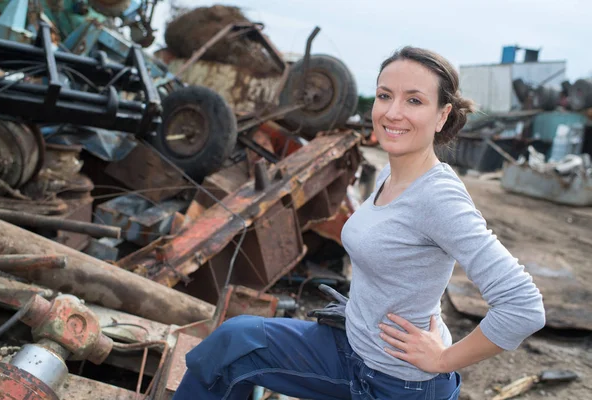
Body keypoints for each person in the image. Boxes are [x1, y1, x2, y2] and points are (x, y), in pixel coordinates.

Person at [173, 46, 546, 400]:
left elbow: (522, 306)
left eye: (414, 100)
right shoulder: (389, 173)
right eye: (385, 96)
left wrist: (443, 361)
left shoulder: (439, 197)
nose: (392, 112)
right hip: (351, 345)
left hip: (395, 383)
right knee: (230, 344)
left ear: (442, 115)